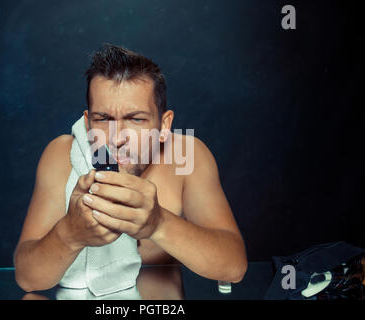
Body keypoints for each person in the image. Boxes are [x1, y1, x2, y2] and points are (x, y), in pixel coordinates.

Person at [14, 44, 247, 292]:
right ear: (87, 122)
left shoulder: (185, 153)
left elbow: (233, 267)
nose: (116, 138)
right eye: (103, 119)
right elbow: (28, 279)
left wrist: (158, 223)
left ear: (164, 124)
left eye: (136, 119)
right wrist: (69, 234)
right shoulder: (62, 154)